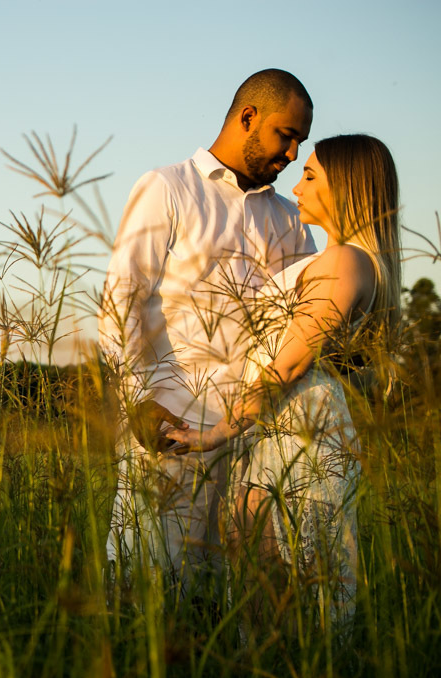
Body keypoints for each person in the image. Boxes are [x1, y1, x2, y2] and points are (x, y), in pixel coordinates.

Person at [165, 134, 401, 625]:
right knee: (265, 568)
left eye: (311, 176)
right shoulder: (346, 260)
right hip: (286, 422)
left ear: (347, 187)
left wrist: (214, 434)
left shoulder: (344, 261)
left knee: (274, 578)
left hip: (298, 426)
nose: (297, 187)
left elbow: (289, 363)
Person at [98, 69, 316, 590]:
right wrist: (138, 399)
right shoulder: (166, 188)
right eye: (287, 135)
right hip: (169, 426)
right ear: (248, 118)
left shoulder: (291, 220)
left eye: (300, 143)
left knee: (237, 596)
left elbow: (304, 321)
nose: (292, 155)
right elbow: (122, 302)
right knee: (146, 580)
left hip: (254, 439)